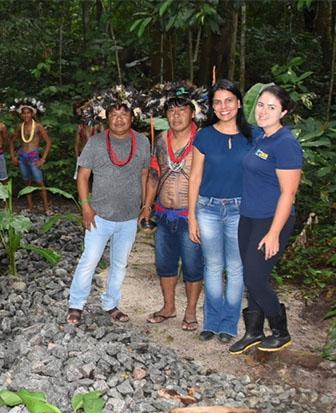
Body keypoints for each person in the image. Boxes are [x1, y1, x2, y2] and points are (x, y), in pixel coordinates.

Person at [66, 86, 151, 325]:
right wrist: (86, 207)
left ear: (132, 117)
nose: (119, 119)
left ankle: (111, 303)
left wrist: (145, 206)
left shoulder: (142, 141)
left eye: (124, 114)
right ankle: (76, 304)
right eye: (114, 114)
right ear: (106, 117)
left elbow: (145, 174)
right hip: (99, 215)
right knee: (90, 260)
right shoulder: (95, 143)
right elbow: (83, 176)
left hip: (129, 217)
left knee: (120, 264)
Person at [229, 85, 303, 354]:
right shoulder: (261, 136)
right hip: (248, 217)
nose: (263, 111)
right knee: (251, 276)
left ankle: (281, 331)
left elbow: (288, 193)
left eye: (271, 107)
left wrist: (273, 233)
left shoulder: (286, 143)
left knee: (256, 278)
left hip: (271, 221)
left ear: (283, 112)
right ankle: (254, 332)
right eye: (260, 105)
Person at [187, 79, 254, 343]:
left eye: (229, 100)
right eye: (217, 102)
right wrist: (191, 217)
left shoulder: (253, 137)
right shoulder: (204, 136)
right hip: (208, 208)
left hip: (240, 209)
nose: (223, 107)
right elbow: (195, 177)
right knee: (213, 266)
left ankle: (229, 325)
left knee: (236, 267)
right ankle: (211, 322)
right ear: (211, 107)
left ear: (239, 103)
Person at [143, 82, 209, 332]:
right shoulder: (161, 140)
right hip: (163, 214)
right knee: (165, 263)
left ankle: (190, 312)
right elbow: (154, 173)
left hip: (191, 216)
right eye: (171, 110)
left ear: (193, 112)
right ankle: (168, 307)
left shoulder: (204, 140)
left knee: (193, 266)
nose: (176, 115)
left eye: (182, 110)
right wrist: (146, 206)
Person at [9, 98, 52, 214]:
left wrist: (43, 159)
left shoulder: (38, 126)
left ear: (32, 114)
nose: (26, 115)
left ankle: (46, 208)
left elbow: (48, 142)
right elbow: (12, 141)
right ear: (21, 114)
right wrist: (13, 156)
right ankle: (30, 206)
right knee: (27, 182)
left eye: (28, 112)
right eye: (24, 113)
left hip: (34, 157)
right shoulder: (20, 126)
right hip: (22, 157)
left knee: (39, 182)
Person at [73, 99, 103, 180]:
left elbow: (105, 140)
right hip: (84, 155)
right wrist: (78, 158)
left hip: (96, 156)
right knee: (84, 179)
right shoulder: (80, 127)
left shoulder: (98, 125)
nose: (85, 112)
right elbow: (76, 144)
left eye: (87, 110)